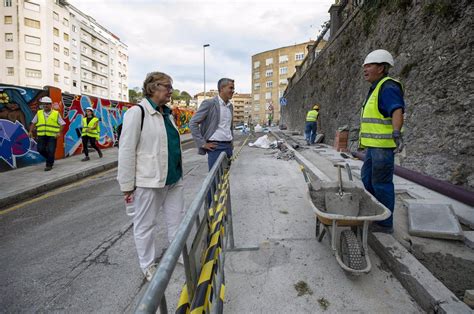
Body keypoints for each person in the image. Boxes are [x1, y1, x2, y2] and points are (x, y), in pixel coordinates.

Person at [117, 71, 185, 281]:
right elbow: (126, 150)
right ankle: (147, 264)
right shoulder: (138, 112)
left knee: (177, 221)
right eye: (167, 87)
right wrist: (127, 185)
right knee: (145, 225)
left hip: (173, 178)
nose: (170, 91)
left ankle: (179, 254)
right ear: (153, 88)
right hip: (149, 181)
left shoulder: (167, 113)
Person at [359, 49, 405, 234]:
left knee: (381, 184)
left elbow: (396, 110)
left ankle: (385, 223)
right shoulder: (376, 88)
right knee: (367, 178)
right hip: (373, 147)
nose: (365, 69)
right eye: (365, 66)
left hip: (383, 148)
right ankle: (376, 211)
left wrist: (396, 132)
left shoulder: (388, 87)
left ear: (381, 68)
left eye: (369, 66)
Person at [189, 78, 235, 170]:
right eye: (231, 88)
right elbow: (193, 123)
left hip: (228, 147)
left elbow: (229, 127)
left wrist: (231, 143)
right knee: (215, 179)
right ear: (222, 88)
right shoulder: (209, 103)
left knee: (224, 180)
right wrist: (202, 143)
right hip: (216, 147)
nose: (233, 91)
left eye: (233, 88)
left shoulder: (230, 106)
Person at [29, 96, 65, 171]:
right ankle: (50, 158)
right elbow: (33, 122)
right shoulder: (39, 113)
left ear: (50, 105)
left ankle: (49, 165)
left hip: (52, 136)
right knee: (40, 149)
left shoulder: (56, 113)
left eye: (47, 104)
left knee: (51, 150)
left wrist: (59, 132)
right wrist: (30, 131)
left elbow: (62, 124)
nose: (45, 105)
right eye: (44, 104)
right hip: (41, 135)